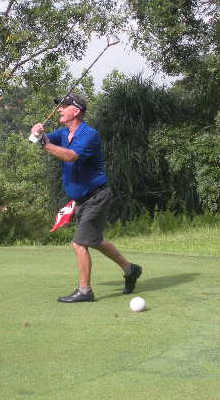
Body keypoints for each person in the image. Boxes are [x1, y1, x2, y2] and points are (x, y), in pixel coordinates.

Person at [31, 93, 142, 303]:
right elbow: (46, 139)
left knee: (79, 243)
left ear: (76, 111)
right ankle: (130, 269)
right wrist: (37, 132)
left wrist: (43, 143)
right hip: (81, 200)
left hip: (97, 197)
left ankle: (85, 291)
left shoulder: (89, 134)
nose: (59, 109)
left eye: (64, 106)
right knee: (95, 241)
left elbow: (71, 156)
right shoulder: (64, 132)